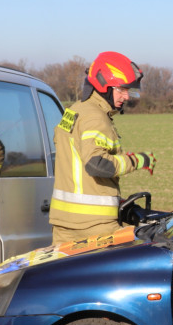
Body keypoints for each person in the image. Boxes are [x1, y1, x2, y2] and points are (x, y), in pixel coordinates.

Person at [50, 51, 156, 245]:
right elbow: (96, 164)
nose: (126, 96)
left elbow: (77, 165)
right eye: (121, 89)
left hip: (64, 224)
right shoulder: (96, 117)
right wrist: (137, 160)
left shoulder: (74, 111)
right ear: (103, 86)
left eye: (129, 90)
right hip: (94, 226)